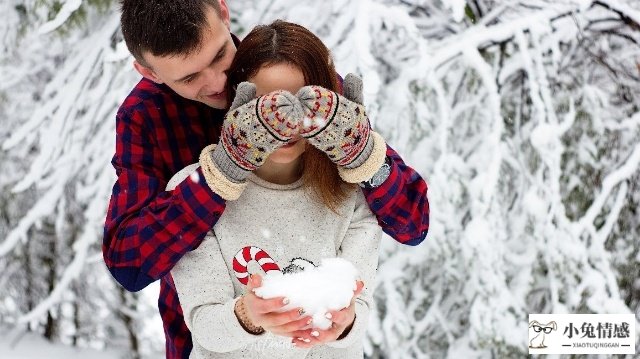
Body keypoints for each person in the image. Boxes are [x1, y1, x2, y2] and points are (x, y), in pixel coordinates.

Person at [104, 0, 430, 358]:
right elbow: (129, 263)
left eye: (218, 57)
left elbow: (413, 223)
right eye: (189, 77)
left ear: (224, 13)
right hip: (206, 336)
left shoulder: (296, 80)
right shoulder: (146, 117)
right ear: (149, 72)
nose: (217, 84)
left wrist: (363, 153)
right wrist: (220, 175)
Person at [167, 21, 383, 358]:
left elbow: (360, 312)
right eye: (269, 105)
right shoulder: (195, 193)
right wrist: (249, 315)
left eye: (303, 103)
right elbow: (204, 323)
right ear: (236, 105)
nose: (285, 122)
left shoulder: (352, 194)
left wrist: (346, 321)